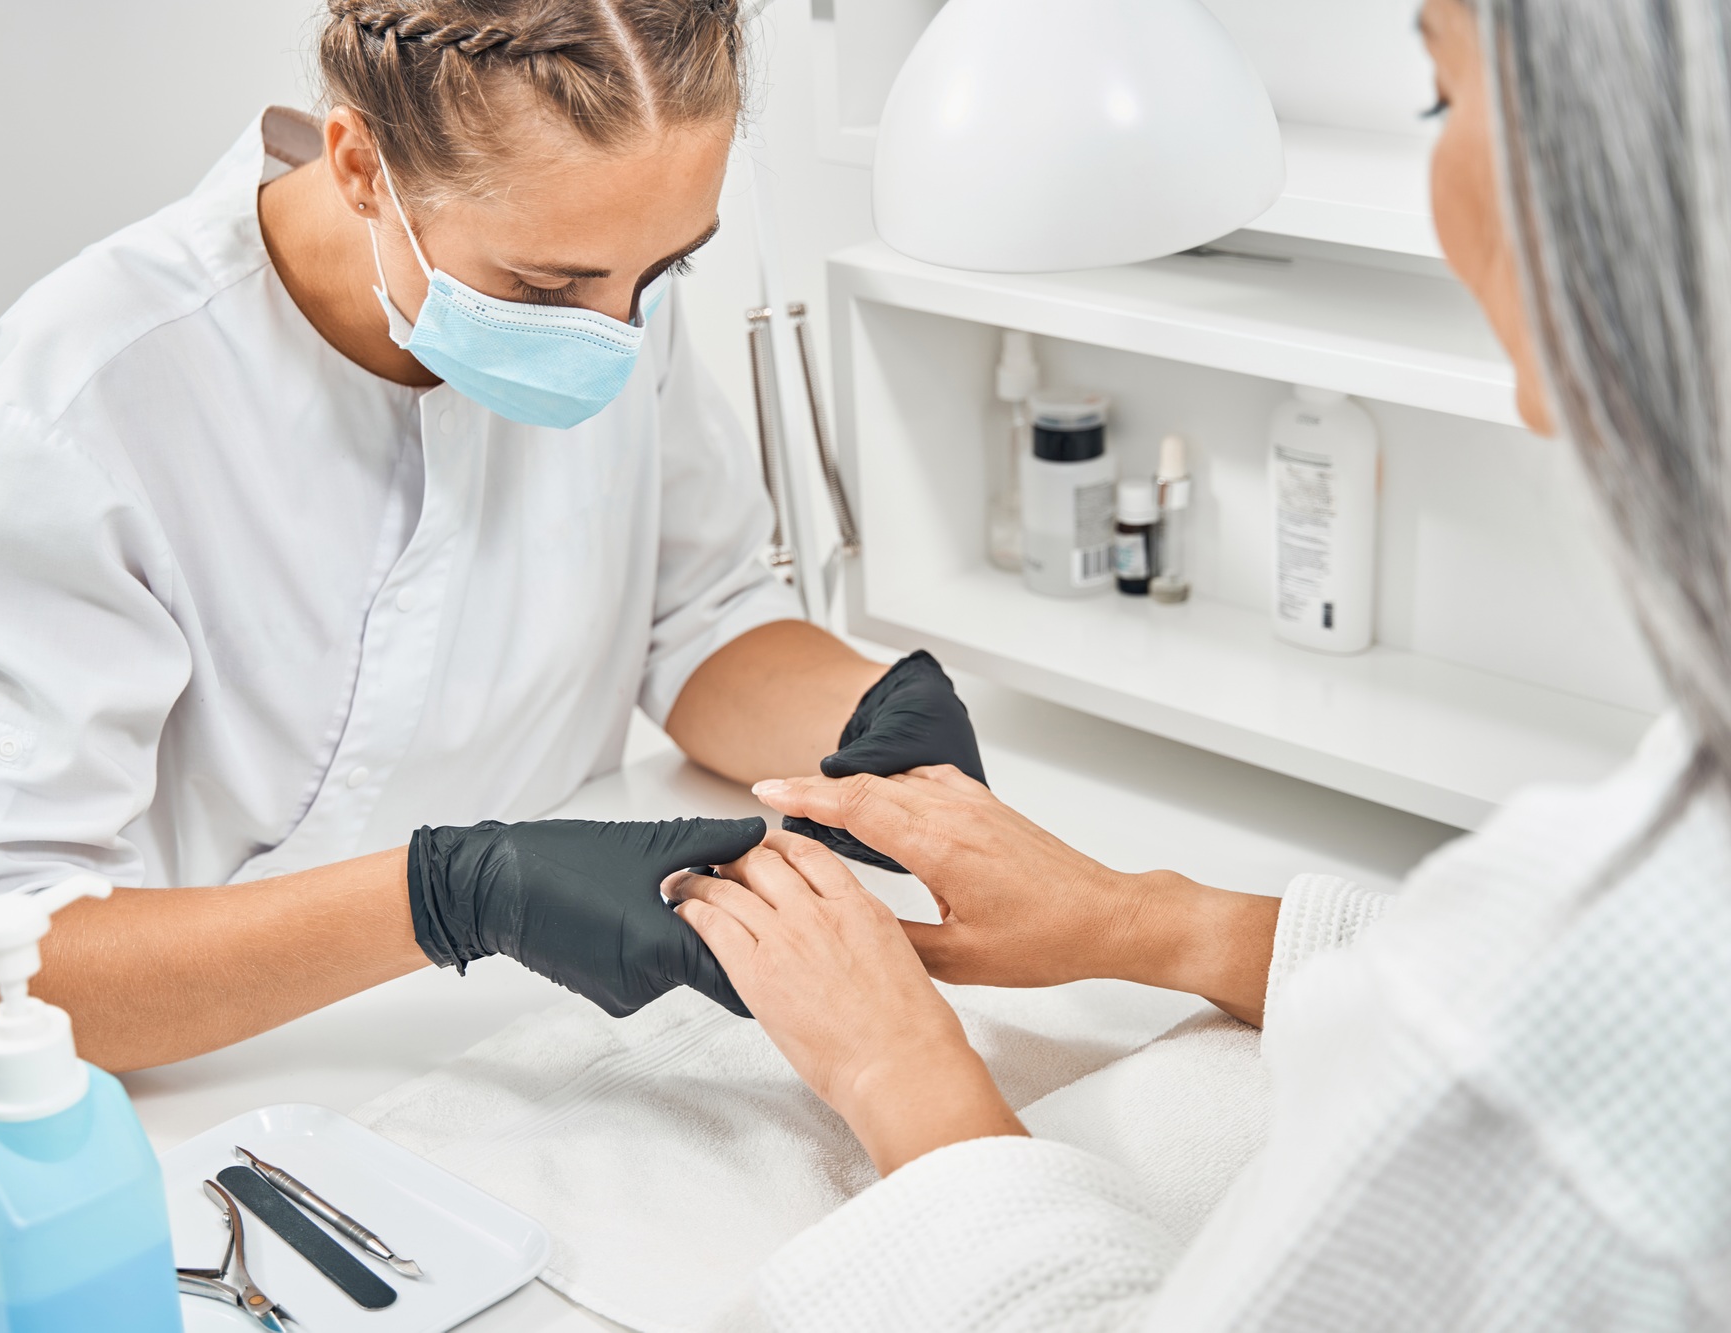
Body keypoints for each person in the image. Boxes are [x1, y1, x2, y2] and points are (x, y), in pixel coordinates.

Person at [667, 0, 1731, 1324]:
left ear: (1625, 184)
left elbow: (1523, 1025)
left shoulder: (1566, 1018)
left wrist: (898, 1067)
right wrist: (1145, 916)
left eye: (1440, 102)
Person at [0, 0, 985, 1076]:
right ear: (360, 166)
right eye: (544, 287)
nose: (611, 339)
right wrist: (449, 894)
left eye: (661, 272)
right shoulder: (94, 391)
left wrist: (867, 718)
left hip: (553, 1027)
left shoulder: (597, 281)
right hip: (218, 1069)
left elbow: (692, 620)